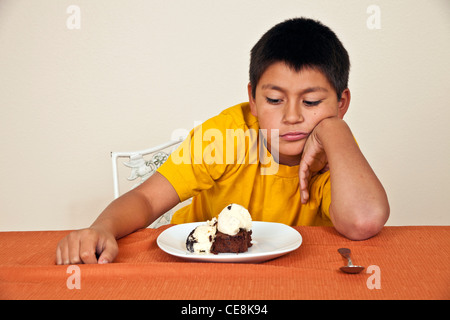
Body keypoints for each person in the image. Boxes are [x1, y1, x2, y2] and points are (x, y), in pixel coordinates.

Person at [56, 17, 389, 265]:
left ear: (341, 103)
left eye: (312, 103)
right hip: (196, 265)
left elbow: (363, 221)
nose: (292, 117)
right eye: (274, 100)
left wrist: (335, 131)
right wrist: (102, 227)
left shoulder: (336, 149)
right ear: (253, 100)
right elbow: (146, 198)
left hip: (287, 275)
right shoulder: (227, 136)